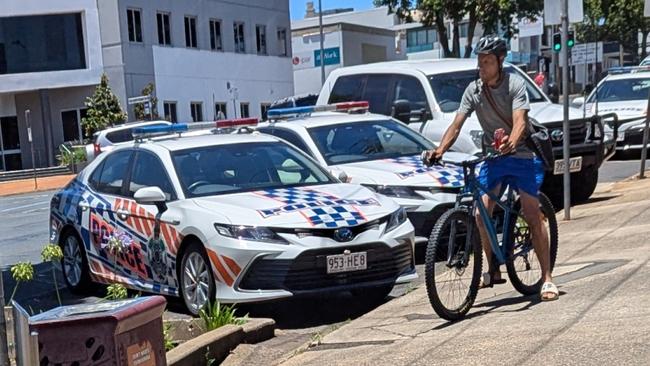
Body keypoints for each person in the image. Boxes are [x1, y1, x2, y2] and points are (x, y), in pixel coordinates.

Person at [423, 35, 559, 301]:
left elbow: (520, 122)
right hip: (493, 157)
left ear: (500, 61)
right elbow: (456, 124)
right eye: (479, 62)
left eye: (487, 62)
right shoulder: (473, 90)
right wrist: (440, 150)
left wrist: (513, 141)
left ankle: (547, 278)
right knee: (479, 212)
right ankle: (492, 268)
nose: (481, 67)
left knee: (532, 213)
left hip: (521, 156)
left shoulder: (515, 85)